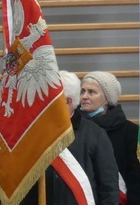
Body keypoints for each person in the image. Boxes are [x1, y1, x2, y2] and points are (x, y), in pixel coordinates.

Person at [22, 70, 119, 205]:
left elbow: (108, 189)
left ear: (67, 101)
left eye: (49, 98)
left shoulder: (95, 135)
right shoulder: (32, 133)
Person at [80, 71, 140, 205]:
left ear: (107, 98)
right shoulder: (73, 130)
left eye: (91, 92)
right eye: (82, 91)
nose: (84, 96)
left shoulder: (131, 133)